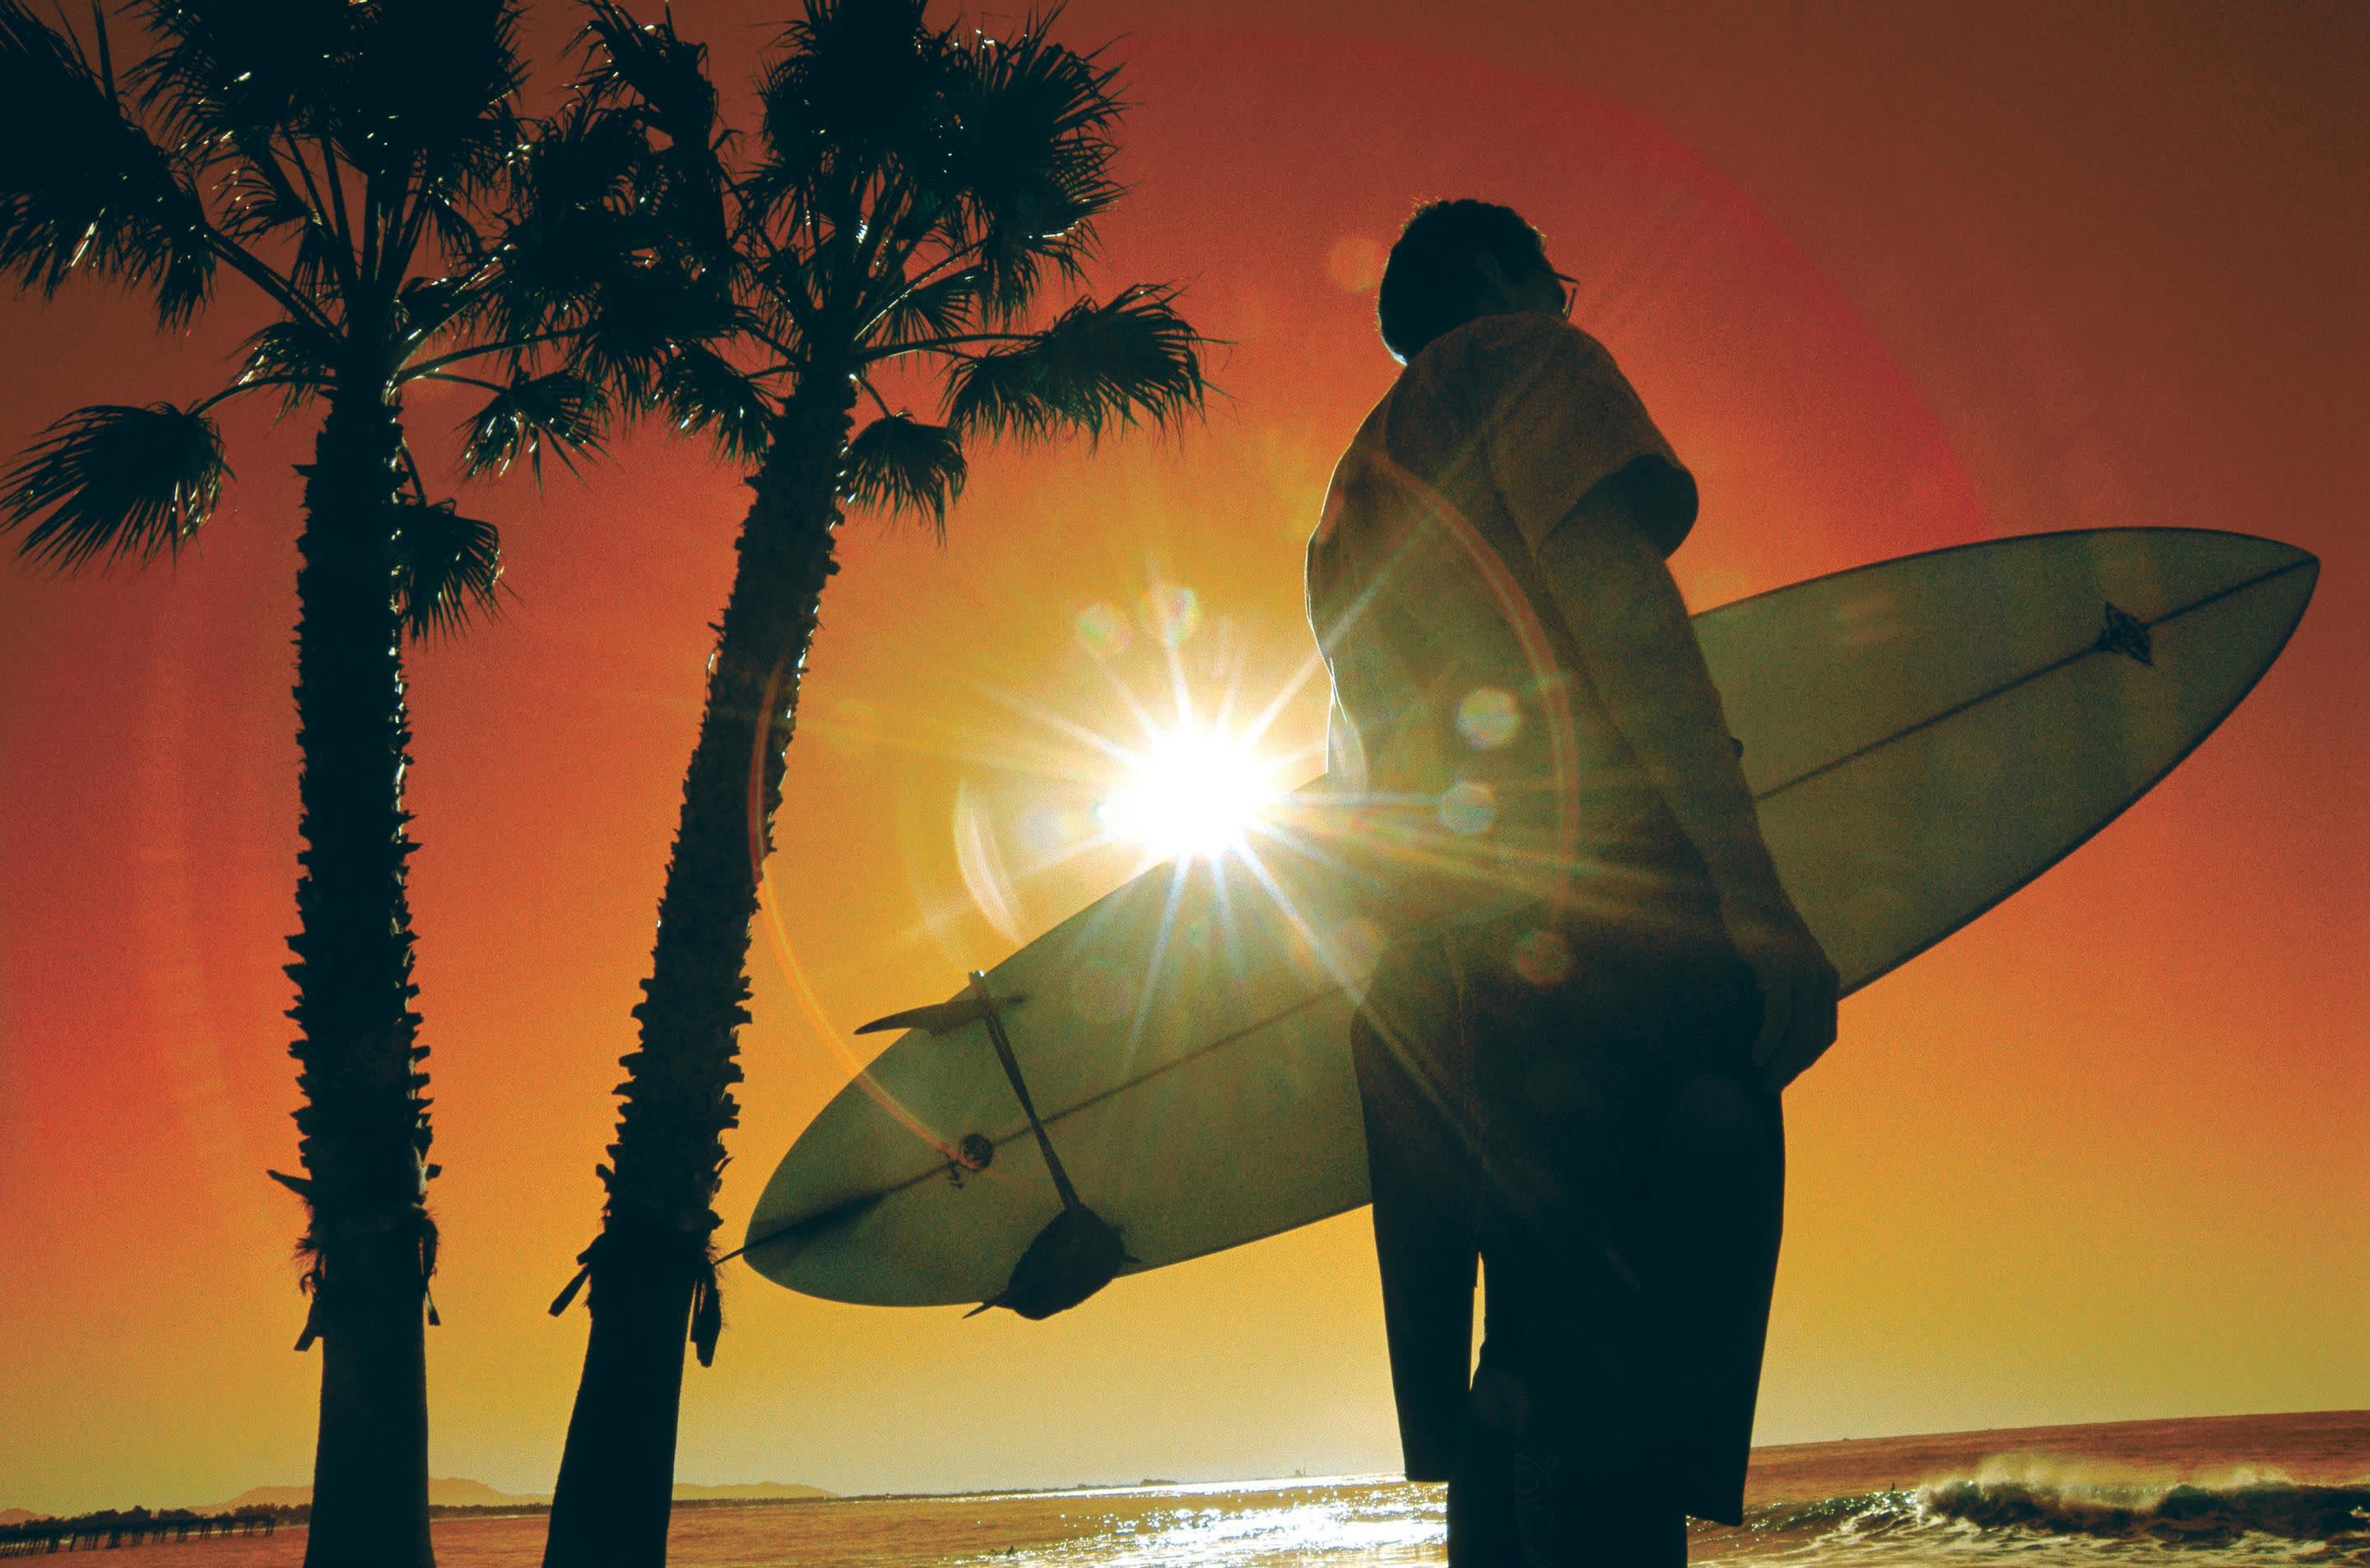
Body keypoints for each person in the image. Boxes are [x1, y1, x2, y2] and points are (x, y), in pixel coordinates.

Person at [1305, 199, 1840, 1566]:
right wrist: (1753, 897)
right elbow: (1626, 622)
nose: (1563, 297)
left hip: (1445, 965)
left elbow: (1360, 785)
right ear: (1502, 273)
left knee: (1527, 1353)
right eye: (1555, 274)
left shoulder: (1349, 497)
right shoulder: (1527, 360)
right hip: (1596, 915)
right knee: (1632, 1325)